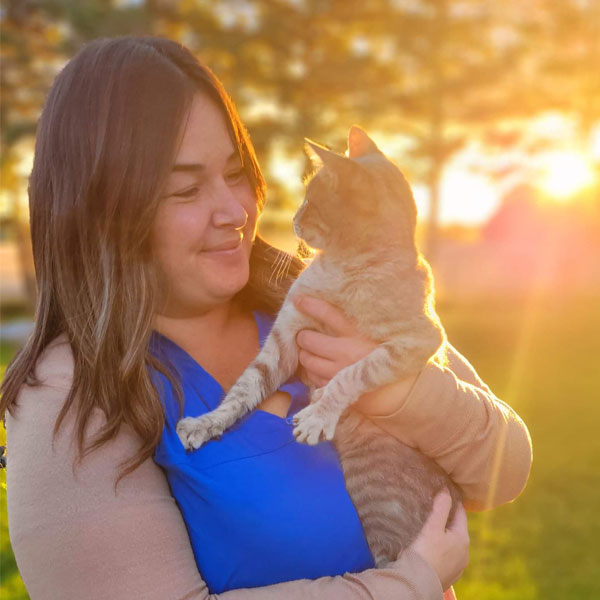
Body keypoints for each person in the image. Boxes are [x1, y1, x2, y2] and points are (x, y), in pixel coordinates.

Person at [1, 36, 532, 600]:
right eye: (186, 189)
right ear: (102, 211)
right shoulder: (69, 399)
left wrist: (399, 392)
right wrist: (410, 583)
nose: (235, 212)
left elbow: (505, 469)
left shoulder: (320, 293)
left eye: (236, 173)